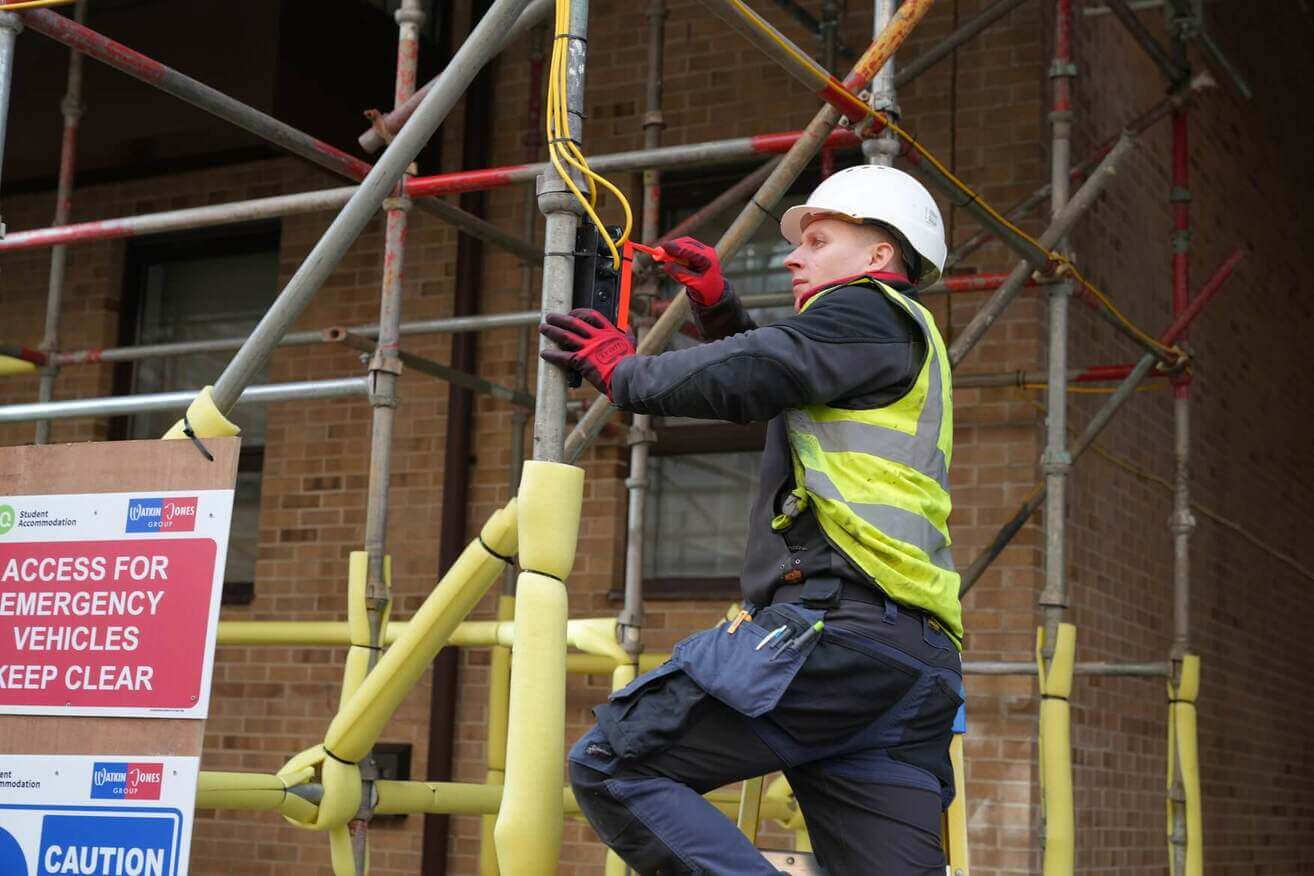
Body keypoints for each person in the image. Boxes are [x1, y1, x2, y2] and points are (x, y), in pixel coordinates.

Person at [540, 164, 964, 875]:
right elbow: (780, 379)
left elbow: (761, 369)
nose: (796, 255)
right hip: (910, 667)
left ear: (879, 256)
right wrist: (716, 305)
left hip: (838, 636)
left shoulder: (867, 310)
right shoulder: (893, 340)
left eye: (819, 239)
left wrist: (627, 374)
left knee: (616, 765)